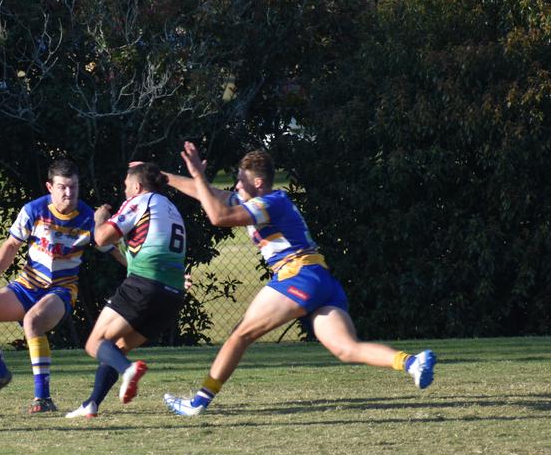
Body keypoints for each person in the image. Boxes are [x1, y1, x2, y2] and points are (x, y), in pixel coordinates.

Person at [162, 142, 436, 416]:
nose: (235, 186)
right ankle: (411, 362)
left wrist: (199, 174)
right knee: (346, 349)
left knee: (240, 334)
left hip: (299, 274)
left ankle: (198, 403)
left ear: (258, 182)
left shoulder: (269, 202)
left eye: (240, 180)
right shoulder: (261, 201)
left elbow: (218, 217)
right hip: (320, 279)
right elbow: (209, 194)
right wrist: (163, 177)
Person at [0, 159, 123, 414]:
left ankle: (42, 399)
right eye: (63, 187)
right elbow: (11, 245)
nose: (69, 193)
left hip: (61, 290)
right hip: (27, 285)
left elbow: (115, 251)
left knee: (33, 322)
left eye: (74, 186)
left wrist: (151, 272)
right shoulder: (34, 210)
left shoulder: (87, 218)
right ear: (49, 187)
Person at [65, 162, 187, 418]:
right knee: (117, 347)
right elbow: (136, 248)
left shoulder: (140, 201)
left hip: (146, 283)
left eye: (126, 187)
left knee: (95, 343)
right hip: (173, 295)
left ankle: (128, 371)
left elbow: (101, 238)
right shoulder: (170, 208)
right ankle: (92, 404)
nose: (125, 192)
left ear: (137, 186)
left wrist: (100, 221)